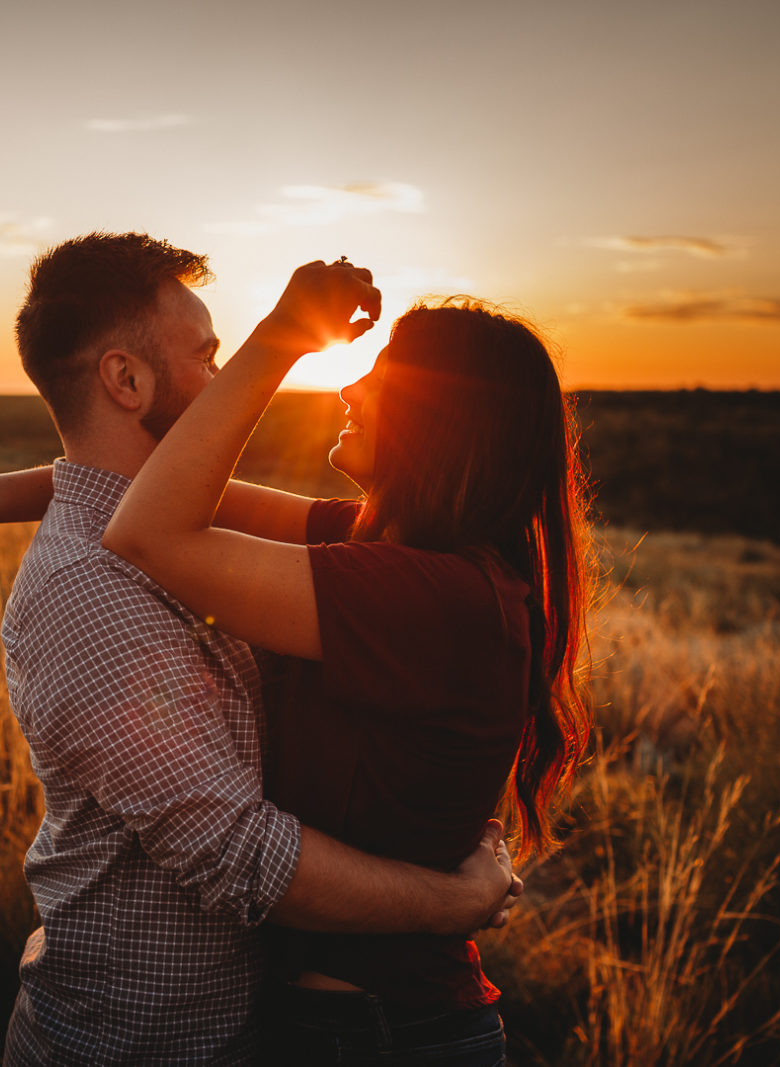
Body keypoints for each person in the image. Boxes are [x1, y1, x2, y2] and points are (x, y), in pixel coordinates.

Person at [0, 233, 521, 1065]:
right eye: (209, 357)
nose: (227, 382)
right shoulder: (90, 593)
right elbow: (239, 853)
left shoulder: (384, 571)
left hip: (293, 1033)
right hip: (131, 1045)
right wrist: (449, 903)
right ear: (125, 380)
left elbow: (134, 498)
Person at [100, 262, 592, 1062]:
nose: (349, 389)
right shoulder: (379, 549)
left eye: (382, 374)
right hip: (367, 1025)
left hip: (374, 1034)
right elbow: (148, 491)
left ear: (445, 419)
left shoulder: (425, 594)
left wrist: (284, 337)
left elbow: (147, 530)